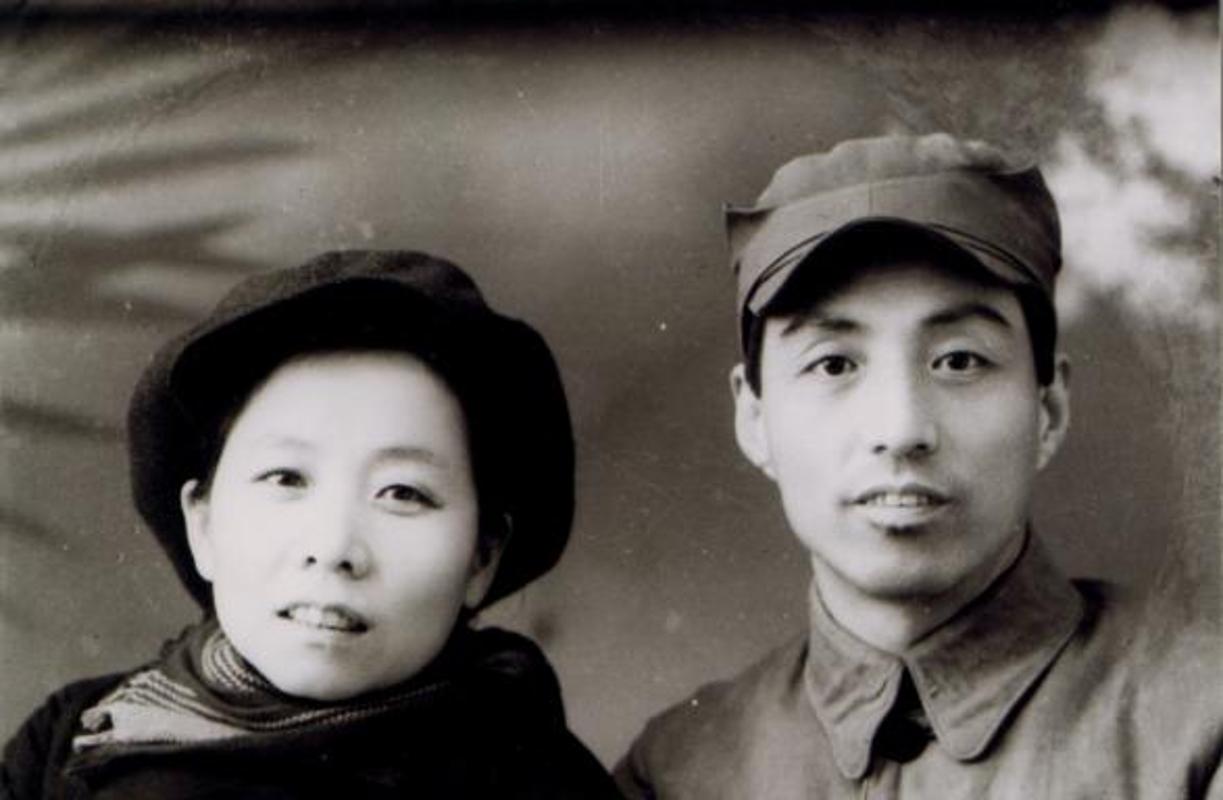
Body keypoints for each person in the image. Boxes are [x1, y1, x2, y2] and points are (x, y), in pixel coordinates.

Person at [615, 133, 1222, 798]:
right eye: (832, 364)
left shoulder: (1201, 722)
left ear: (1047, 410)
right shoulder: (674, 774)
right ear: (754, 420)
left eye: (959, 360)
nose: (900, 430)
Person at [1, 250, 620, 798]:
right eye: (286, 479)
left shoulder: (531, 776)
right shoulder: (75, 739)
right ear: (203, 525)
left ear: (481, 558)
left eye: (402, 493)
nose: (333, 547)